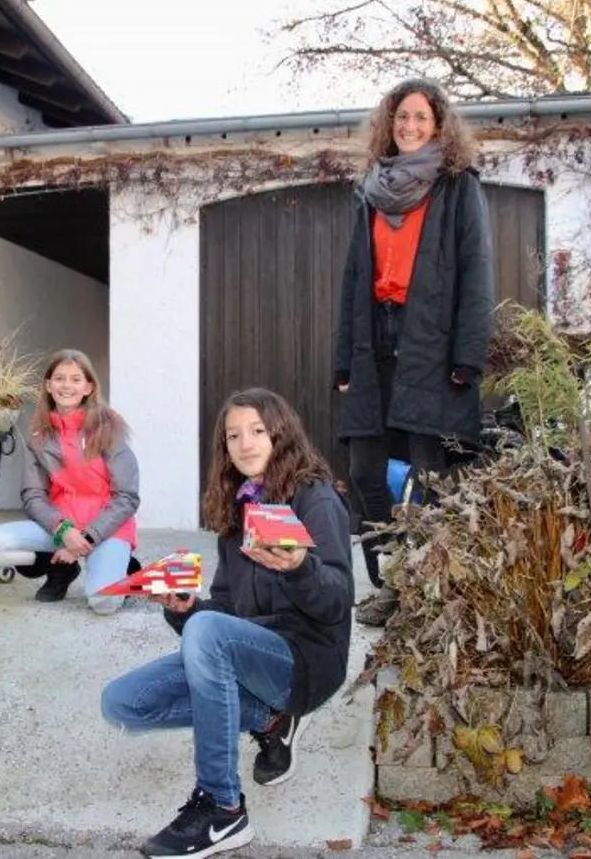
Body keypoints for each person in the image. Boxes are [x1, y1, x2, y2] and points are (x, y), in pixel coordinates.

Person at [101, 388, 354, 858]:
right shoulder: (238, 510)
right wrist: (184, 610)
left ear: (282, 434)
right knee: (122, 703)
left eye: (258, 431)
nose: (246, 443)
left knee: (208, 634)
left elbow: (339, 602)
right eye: (234, 435)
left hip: (305, 660)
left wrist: (299, 568)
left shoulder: (315, 497)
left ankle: (223, 809)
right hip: (249, 657)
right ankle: (271, 720)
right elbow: (223, 612)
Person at [331, 78, 494, 625]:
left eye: (421, 117)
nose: (410, 126)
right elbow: (354, 277)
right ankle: (390, 581)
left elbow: (477, 273)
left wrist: (468, 357)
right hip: (374, 341)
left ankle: (424, 588)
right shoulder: (370, 191)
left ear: (439, 125)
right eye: (402, 116)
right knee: (365, 468)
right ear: (389, 122)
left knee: (430, 473)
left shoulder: (457, 186)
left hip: (433, 344)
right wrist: (342, 363)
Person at [0, 349, 139, 612]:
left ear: (88, 387)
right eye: (60, 378)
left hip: (105, 531)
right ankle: (60, 567)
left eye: (76, 379)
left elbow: (127, 497)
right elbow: (33, 495)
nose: (67, 386)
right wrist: (64, 532)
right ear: (49, 386)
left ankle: (126, 568)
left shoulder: (108, 429)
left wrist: (86, 539)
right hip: (61, 527)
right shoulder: (39, 434)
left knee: (103, 603)